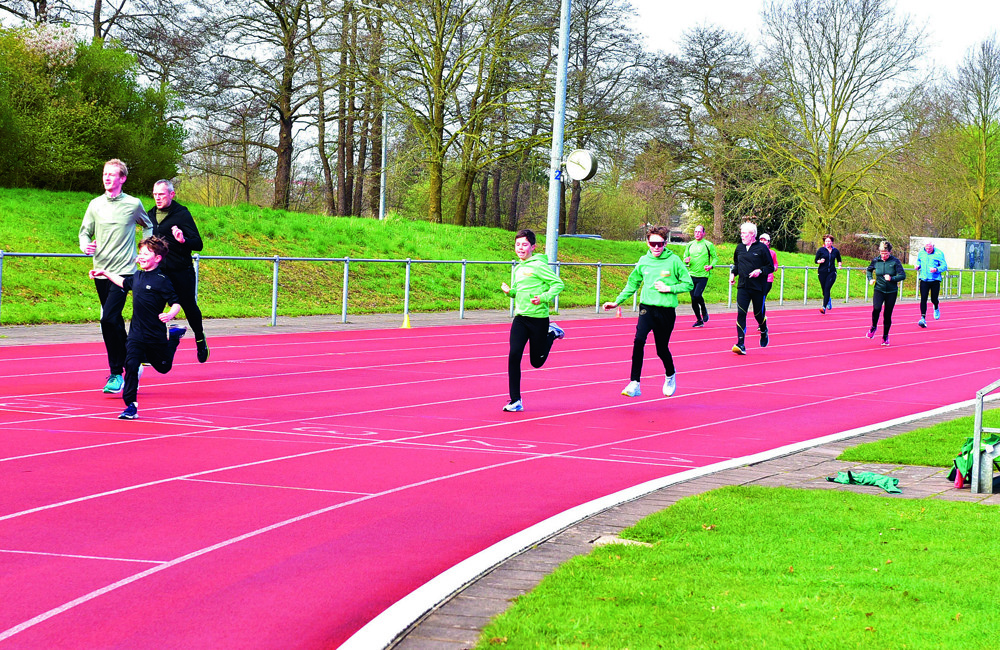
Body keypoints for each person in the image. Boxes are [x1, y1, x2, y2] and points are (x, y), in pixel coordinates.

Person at [89, 236, 187, 420]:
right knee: (131, 364)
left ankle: (173, 338)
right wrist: (105, 273)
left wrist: (170, 314)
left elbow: (176, 302)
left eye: (145, 253)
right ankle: (131, 406)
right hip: (136, 334)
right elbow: (123, 283)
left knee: (163, 367)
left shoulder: (162, 280)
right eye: (140, 253)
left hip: (155, 335)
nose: (140, 256)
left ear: (157, 258)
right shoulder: (137, 276)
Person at [78, 158, 154, 394]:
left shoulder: (133, 204)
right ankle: (133, 359)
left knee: (108, 318)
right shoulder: (95, 205)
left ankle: (115, 373)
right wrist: (85, 246)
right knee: (113, 321)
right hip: (101, 270)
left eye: (112, 174)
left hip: (123, 272)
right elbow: (84, 232)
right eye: (105, 174)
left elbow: (148, 225)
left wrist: (144, 250)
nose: (107, 178)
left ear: (123, 178)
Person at [603, 226, 693, 398]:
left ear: (665, 243)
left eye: (660, 244)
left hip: (666, 311)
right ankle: (634, 382)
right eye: (653, 244)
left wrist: (669, 288)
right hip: (647, 308)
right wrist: (616, 302)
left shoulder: (674, 261)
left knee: (661, 349)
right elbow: (632, 284)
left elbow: (688, 284)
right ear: (648, 243)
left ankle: (670, 374)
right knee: (638, 340)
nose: (657, 248)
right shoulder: (643, 261)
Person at [499, 229, 565, 412]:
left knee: (536, 362)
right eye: (518, 244)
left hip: (538, 319)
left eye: (524, 244)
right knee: (514, 356)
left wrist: (543, 298)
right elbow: (519, 291)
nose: (521, 248)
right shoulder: (518, 267)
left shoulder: (538, 266)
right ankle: (515, 400)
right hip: (520, 319)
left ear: (533, 247)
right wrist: (510, 292)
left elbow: (558, 284)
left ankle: (551, 333)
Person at [149, 179, 209, 362]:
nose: (158, 198)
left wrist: (183, 241)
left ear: (171, 195)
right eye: (155, 194)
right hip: (159, 271)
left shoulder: (181, 214)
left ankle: (200, 339)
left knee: (189, 307)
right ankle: (154, 348)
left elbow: (198, 243)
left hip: (181, 270)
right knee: (154, 309)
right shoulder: (149, 214)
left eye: (162, 194)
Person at [730, 221, 774, 355]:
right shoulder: (739, 248)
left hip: (758, 288)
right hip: (743, 286)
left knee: (757, 314)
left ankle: (763, 328)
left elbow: (770, 267)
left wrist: (759, 271)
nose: (742, 236)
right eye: (741, 233)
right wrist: (733, 274)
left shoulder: (761, 248)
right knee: (741, 313)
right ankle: (741, 343)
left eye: (744, 233)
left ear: (752, 235)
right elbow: (737, 264)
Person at [866, 240, 906, 346]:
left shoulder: (895, 261)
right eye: (882, 253)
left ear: (890, 252)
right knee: (876, 308)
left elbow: (902, 275)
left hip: (891, 291)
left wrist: (892, 278)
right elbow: (869, 270)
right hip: (879, 289)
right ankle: (873, 327)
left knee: (887, 315)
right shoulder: (876, 260)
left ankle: (885, 336)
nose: (883, 256)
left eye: (886, 254)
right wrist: (870, 278)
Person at [682, 224, 718, 327]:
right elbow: (685, 257)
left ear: (703, 233)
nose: (697, 234)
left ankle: (704, 309)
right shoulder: (689, 244)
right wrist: (686, 260)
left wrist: (711, 266)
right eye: (695, 232)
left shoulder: (708, 244)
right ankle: (699, 320)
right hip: (691, 274)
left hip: (703, 275)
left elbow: (715, 258)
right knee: (693, 300)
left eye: (699, 232)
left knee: (697, 295)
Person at [914, 240, 947, 327]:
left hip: (935, 280)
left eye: (930, 248)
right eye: (926, 248)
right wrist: (917, 265)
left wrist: (936, 269)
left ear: (933, 246)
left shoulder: (939, 253)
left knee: (934, 298)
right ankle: (923, 318)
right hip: (924, 279)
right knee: (923, 298)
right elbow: (919, 261)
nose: (928, 250)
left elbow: (944, 266)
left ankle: (936, 306)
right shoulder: (921, 252)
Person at [814, 235, 842, 314]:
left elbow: (839, 259)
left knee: (827, 288)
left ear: (832, 242)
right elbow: (815, 260)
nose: (827, 243)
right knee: (824, 290)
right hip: (822, 272)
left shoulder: (835, 251)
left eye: (829, 241)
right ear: (824, 242)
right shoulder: (821, 250)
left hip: (832, 272)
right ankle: (828, 299)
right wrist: (820, 261)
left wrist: (839, 265)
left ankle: (823, 307)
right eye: (826, 241)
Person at [760, 233, 778, 301]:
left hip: (768, 279)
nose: (762, 241)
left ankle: (761, 311)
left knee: (762, 297)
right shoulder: (756, 251)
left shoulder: (772, 253)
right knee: (758, 298)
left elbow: (775, 264)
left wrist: (774, 268)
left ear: (768, 242)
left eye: (764, 240)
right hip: (758, 278)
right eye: (761, 240)